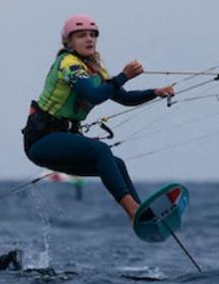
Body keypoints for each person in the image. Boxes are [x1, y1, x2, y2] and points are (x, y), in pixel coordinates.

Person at [22, 14, 175, 221]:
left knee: (116, 163)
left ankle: (143, 215)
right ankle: (133, 213)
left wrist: (155, 92)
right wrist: (124, 76)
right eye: (81, 36)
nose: (89, 39)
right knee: (101, 150)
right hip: (41, 141)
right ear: (68, 41)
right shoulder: (68, 64)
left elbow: (124, 98)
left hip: (63, 140)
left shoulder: (95, 71)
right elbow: (93, 95)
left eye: (93, 35)